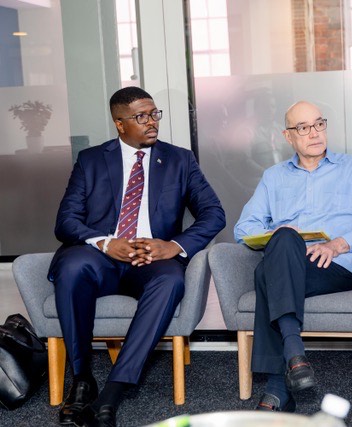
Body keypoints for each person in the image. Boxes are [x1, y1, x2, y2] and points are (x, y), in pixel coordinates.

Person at [49, 87, 226, 427]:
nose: (152, 122)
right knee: (72, 266)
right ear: (120, 123)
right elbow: (66, 221)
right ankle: (82, 378)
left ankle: (112, 393)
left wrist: (173, 246)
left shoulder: (180, 159)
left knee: (170, 280)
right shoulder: (91, 160)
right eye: (141, 116)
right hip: (101, 258)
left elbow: (214, 213)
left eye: (154, 114)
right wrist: (105, 242)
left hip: (152, 259)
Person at [234, 100, 352, 412]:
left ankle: (280, 382)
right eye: (303, 127)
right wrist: (277, 232)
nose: (314, 133)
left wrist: (338, 244)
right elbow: (243, 228)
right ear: (288, 136)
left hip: (337, 266)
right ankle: (294, 361)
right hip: (290, 262)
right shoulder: (274, 177)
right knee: (284, 239)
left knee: (265, 275)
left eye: (319, 124)